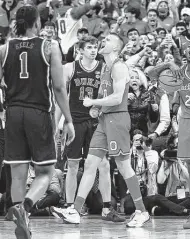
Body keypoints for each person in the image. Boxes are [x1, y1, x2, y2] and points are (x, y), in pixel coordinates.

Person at [59, 33, 151, 227]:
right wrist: (97, 108)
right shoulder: (106, 68)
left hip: (117, 120)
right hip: (103, 121)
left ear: (116, 48)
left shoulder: (118, 67)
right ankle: (75, 210)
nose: (103, 42)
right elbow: (106, 98)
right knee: (91, 164)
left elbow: (118, 98)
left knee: (124, 166)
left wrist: (94, 101)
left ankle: (142, 211)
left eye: (108, 40)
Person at [0, 5, 75, 239]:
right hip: (38, 112)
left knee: (18, 172)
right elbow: (59, 87)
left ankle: (22, 218)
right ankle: (26, 208)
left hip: (12, 114)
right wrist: (68, 120)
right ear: (38, 23)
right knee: (45, 172)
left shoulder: (3, 48)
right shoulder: (50, 47)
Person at [51, 36, 119, 222]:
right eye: (89, 47)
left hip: (96, 122)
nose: (93, 50)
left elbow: (110, 95)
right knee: (72, 165)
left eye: (95, 47)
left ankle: (107, 208)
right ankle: (71, 206)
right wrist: (55, 124)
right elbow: (60, 98)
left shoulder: (104, 68)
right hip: (74, 121)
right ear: (80, 50)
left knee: (103, 164)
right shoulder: (69, 68)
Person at [162, 40, 190, 229]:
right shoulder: (180, 73)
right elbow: (153, 76)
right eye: (188, 46)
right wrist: (165, 64)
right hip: (186, 123)